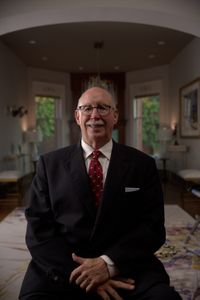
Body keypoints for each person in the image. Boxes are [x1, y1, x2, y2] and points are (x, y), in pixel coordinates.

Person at [19, 87, 181, 300]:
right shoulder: (49, 165)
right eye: (87, 108)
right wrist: (82, 274)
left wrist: (108, 264)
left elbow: (152, 228)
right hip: (62, 269)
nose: (95, 115)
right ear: (78, 117)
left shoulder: (143, 165)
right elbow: (38, 231)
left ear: (115, 116)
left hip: (127, 266)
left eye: (103, 108)